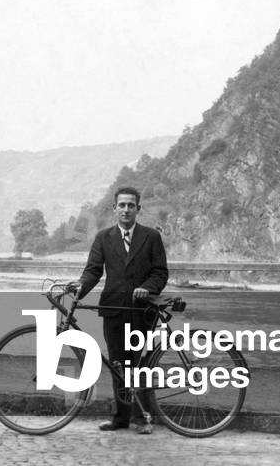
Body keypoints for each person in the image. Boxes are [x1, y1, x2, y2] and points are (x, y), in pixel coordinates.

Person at [70, 186, 168, 434]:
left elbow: (160, 273)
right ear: (114, 209)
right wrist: (80, 287)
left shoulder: (151, 237)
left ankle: (142, 419)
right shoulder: (103, 237)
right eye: (121, 205)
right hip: (113, 309)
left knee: (137, 365)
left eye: (130, 205)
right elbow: (93, 271)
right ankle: (121, 419)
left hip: (142, 311)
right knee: (117, 364)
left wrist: (147, 288)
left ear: (138, 209)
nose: (126, 209)